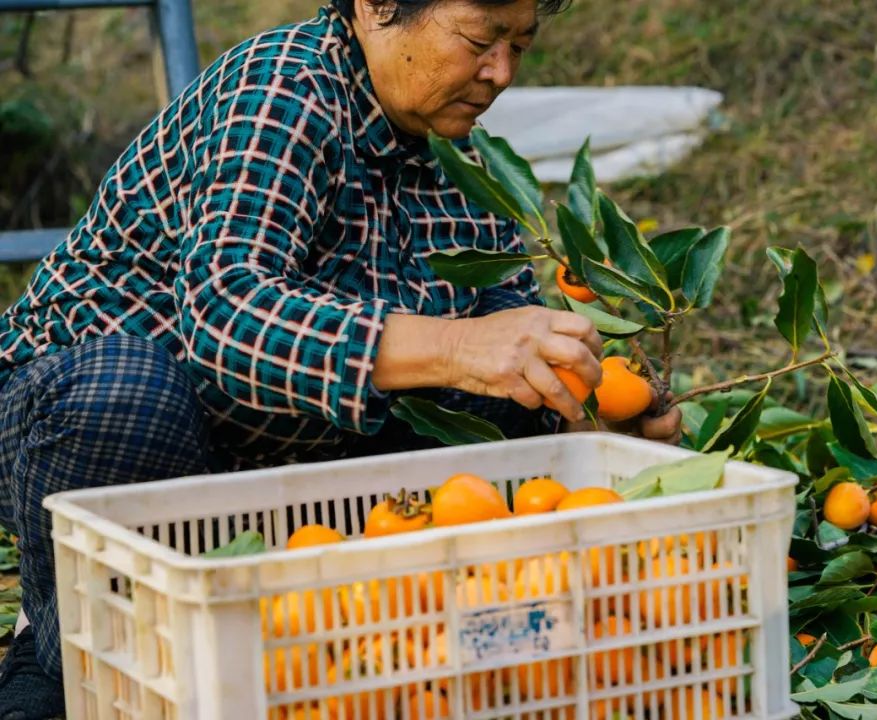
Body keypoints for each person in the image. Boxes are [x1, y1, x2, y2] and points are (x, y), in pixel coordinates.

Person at [0, 1, 681, 716]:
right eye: (480, 40)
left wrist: (590, 429)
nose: (501, 73)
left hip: (286, 465)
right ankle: (61, 645)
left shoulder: (466, 169)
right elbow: (227, 312)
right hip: (87, 430)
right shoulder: (281, 91)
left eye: (520, 45)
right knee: (124, 401)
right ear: (375, 6)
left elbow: (505, 362)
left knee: (490, 391)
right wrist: (454, 346)